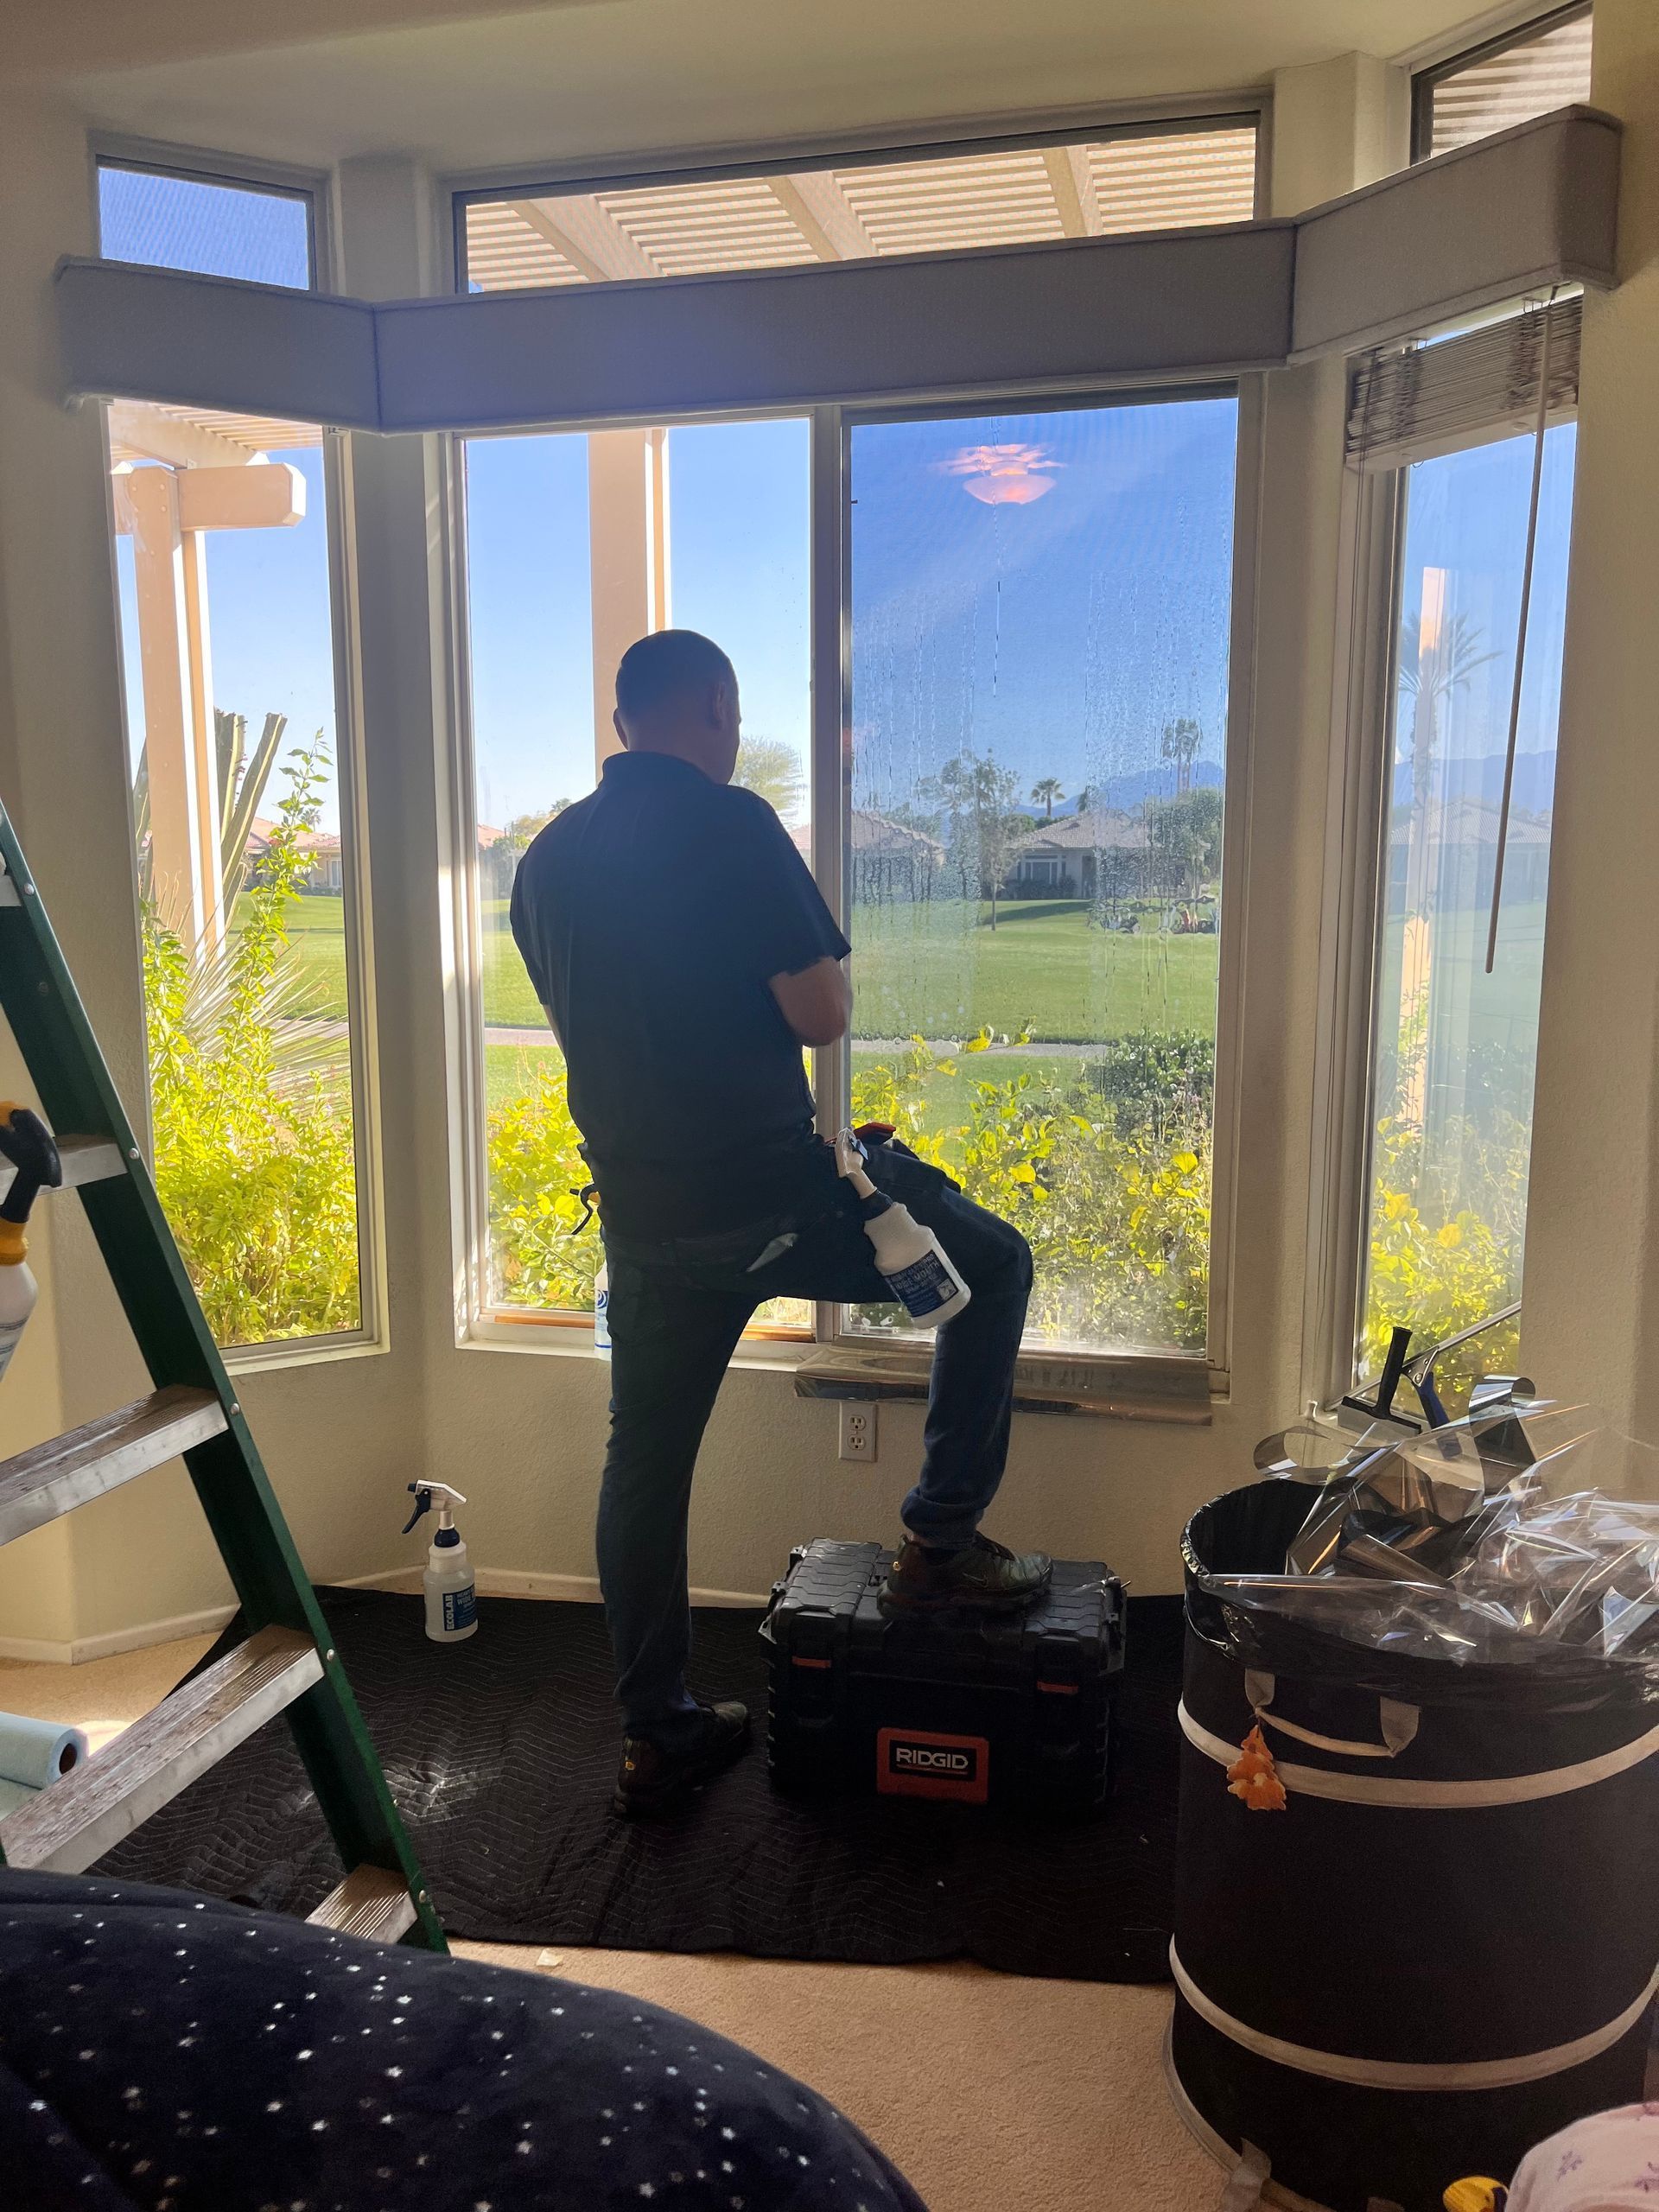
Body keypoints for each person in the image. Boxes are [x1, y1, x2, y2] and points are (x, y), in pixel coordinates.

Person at [511, 629, 1050, 1817]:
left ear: (621, 724)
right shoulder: (732, 823)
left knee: (643, 1470)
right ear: (717, 707)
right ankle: (941, 1545)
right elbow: (819, 1012)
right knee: (994, 1266)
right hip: (774, 1202)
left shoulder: (545, 859)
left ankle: (655, 1731)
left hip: (646, 1223)